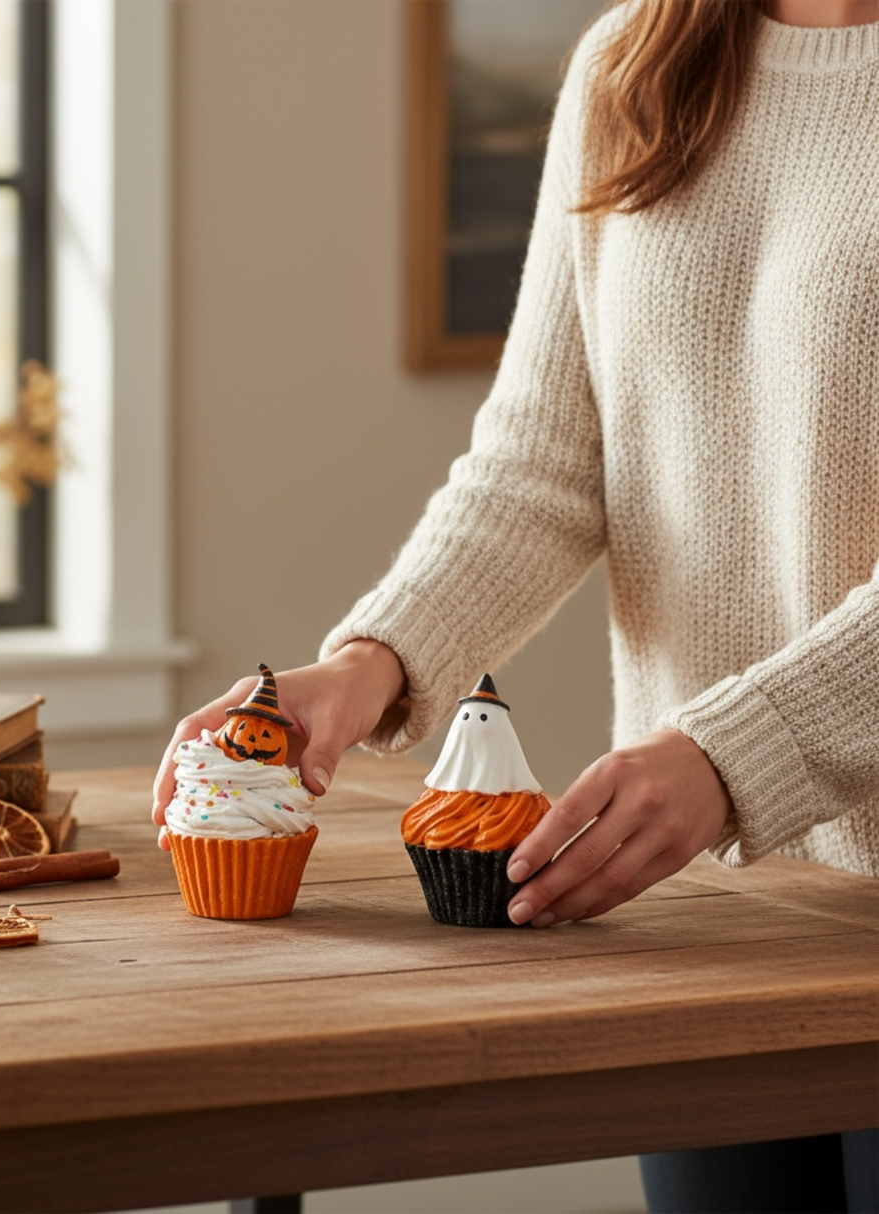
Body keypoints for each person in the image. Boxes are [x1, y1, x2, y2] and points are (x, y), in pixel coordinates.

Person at [154, 0, 878, 1209]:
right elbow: (544, 459)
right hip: (716, 920)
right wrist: (371, 659)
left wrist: (734, 749)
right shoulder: (632, 62)